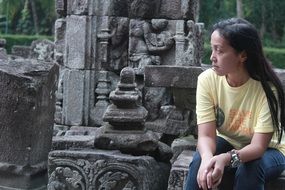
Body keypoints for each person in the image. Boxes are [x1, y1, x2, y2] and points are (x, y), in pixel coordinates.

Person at [184, 17, 285, 190]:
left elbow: (258, 147)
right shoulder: (207, 80)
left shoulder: (267, 90)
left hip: (271, 149)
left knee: (250, 168)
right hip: (228, 140)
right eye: (212, 49)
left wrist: (226, 159)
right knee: (200, 161)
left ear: (243, 55)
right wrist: (208, 160)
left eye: (219, 51)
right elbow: (206, 136)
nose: (212, 57)